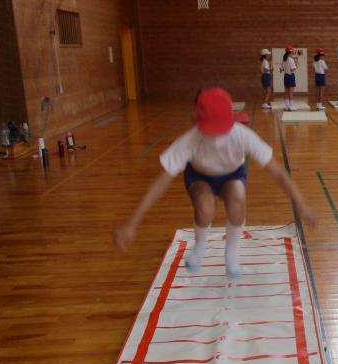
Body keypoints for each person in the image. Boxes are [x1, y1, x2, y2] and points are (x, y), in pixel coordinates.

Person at [113, 88, 317, 278]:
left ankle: (232, 253)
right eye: (211, 129)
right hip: (200, 177)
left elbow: (278, 173)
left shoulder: (242, 136)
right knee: (205, 206)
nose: (216, 136)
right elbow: (160, 183)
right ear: (197, 120)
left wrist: (302, 205)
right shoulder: (190, 140)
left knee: (237, 203)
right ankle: (200, 245)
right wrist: (132, 223)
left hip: (232, 175)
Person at [280, 46, 298, 111]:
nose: (292, 53)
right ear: (290, 52)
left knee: (286, 92)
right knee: (291, 92)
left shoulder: (284, 59)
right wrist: (296, 65)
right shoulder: (291, 60)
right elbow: (292, 69)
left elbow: (281, 69)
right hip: (290, 76)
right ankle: (291, 106)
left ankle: (287, 106)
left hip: (286, 77)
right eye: (292, 52)